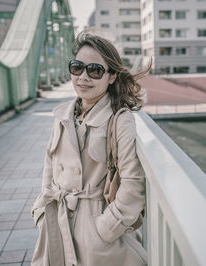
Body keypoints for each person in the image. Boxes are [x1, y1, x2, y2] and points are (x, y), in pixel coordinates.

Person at [31, 31, 151, 266]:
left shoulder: (120, 119)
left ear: (112, 76)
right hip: (57, 223)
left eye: (94, 70)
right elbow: (49, 166)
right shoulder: (62, 115)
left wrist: (104, 229)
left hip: (97, 231)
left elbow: (133, 182)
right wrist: (41, 210)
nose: (83, 77)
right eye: (77, 68)